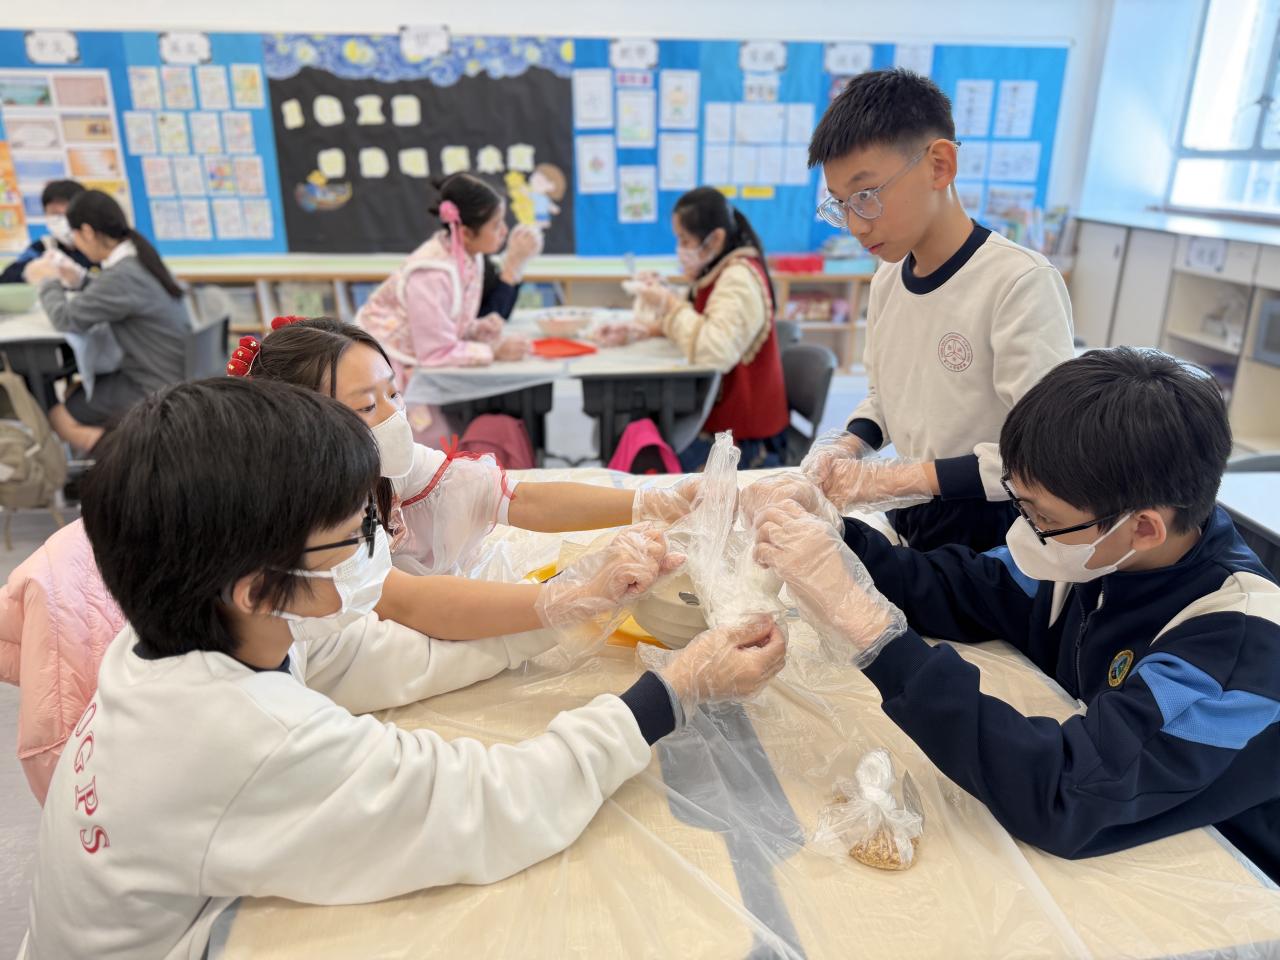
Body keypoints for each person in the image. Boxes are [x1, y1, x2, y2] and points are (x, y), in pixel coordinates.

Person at [19, 377, 787, 959]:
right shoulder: (241, 737)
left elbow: (382, 659)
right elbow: (495, 804)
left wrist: (570, 604)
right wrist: (675, 691)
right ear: (255, 587)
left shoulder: (182, 636)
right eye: (352, 535)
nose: (376, 544)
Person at [753, 347, 1280, 881]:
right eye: (1021, 506)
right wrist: (836, 537)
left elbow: (1064, 791)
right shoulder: (1102, 552)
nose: (1025, 531)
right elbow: (966, 589)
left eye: (1041, 516)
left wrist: (871, 633)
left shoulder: (1236, 647)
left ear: (1143, 527)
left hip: (1228, 874)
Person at [803, 68, 1074, 552]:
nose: (855, 225)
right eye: (841, 204)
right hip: (915, 515)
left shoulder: (1018, 282)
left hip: (997, 534)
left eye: (865, 196)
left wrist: (900, 479)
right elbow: (886, 397)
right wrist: (848, 445)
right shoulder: (888, 277)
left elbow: (1045, 456)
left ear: (940, 165)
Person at [235, 316, 704, 576]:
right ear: (302, 427)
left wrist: (653, 501)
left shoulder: (385, 466)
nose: (395, 416)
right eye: (366, 406)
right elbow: (405, 606)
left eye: (394, 393)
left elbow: (512, 497)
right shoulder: (305, 523)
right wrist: (565, 598)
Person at [627, 187, 789, 471]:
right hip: (723, 424)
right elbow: (698, 321)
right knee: (641, 432)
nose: (680, 249)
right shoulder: (718, 270)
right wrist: (652, 328)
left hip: (747, 441)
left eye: (685, 240)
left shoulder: (738, 278)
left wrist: (669, 304)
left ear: (715, 239)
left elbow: (713, 350)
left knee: (644, 450)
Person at [23, 189, 188, 454]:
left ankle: (126, 459)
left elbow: (65, 318)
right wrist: (80, 279)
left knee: (59, 418)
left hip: (153, 383)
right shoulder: (138, 260)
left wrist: (47, 280)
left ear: (87, 232)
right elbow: (114, 295)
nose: (76, 244)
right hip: (170, 372)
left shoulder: (122, 275)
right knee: (75, 393)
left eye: (75, 235)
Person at [356, 174, 532, 408]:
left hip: (412, 362)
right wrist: (493, 350)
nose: (504, 231)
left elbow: (446, 322)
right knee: (443, 428)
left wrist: (475, 329)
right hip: (385, 370)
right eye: (496, 225)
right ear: (466, 233)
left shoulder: (471, 256)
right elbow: (434, 353)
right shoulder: (431, 273)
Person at [0, 179, 94, 284]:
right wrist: (31, 270)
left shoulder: (98, 247)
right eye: (55, 214)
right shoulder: (42, 247)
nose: (63, 220)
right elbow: (7, 278)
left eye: (68, 213)